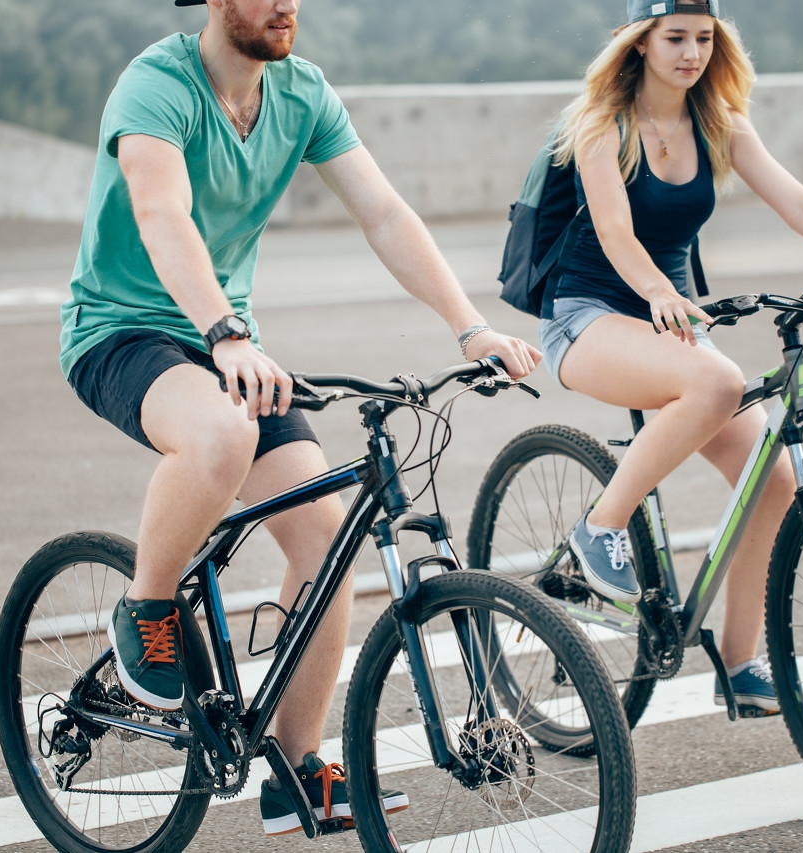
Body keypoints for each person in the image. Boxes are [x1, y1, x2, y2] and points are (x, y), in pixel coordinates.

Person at [58, 0, 540, 834]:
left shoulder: (302, 94)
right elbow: (162, 214)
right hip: (123, 332)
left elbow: (384, 213)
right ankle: (147, 609)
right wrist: (227, 331)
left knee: (327, 536)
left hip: (228, 345)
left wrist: (469, 324)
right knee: (219, 432)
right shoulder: (156, 87)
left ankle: (296, 765)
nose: (286, 3)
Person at [542, 0, 803, 712]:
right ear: (640, 43)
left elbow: (799, 202)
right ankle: (598, 529)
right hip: (589, 317)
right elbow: (616, 231)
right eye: (675, 38)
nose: (691, 53)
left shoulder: (719, 123)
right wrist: (660, 291)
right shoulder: (603, 122)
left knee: (775, 478)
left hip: (673, 324)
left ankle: (742, 659)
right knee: (719, 379)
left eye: (703, 38)